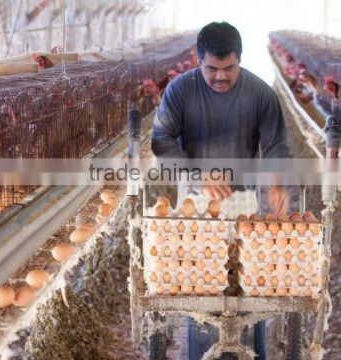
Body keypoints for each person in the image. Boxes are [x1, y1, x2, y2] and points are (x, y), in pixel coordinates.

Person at [151, 21, 291, 360]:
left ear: (240, 60)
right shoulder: (180, 90)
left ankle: (250, 352)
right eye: (211, 68)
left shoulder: (260, 93)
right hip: (195, 206)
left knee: (246, 290)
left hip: (243, 203)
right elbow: (161, 140)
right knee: (202, 293)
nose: (221, 76)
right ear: (198, 61)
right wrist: (198, 172)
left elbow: (275, 147)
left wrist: (275, 186)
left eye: (229, 68)